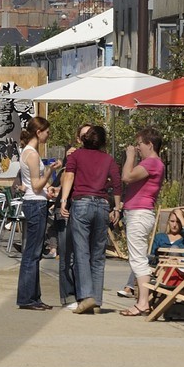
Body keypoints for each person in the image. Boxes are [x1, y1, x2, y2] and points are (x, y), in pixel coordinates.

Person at [58, 124, 121, 314]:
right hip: (102, 205)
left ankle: (86, 297)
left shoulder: (76, 156)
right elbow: (117, 184)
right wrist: (116, 207)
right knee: (98, 254)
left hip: (81, 203)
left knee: (81, 253)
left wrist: (63, 201)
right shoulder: (108, 159)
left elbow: (69, 177)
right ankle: (97, 300)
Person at [116, 126, 165, 317]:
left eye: (139, 145)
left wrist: (130, 156)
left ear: (149, 144)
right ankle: (142, 300)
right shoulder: (154, 163)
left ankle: (143, 302)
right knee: (138, 257)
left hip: (139, 214)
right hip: (139, 213)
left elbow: (127, 177)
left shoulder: (152, 162)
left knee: (138, 259)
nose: (137, 148)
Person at [15, 117, 55, 310]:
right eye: (47, 132)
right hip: (35, 204)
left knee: (34, 252)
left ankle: (32, 296)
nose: (48, 135)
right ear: (38, 133)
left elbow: (36, 185)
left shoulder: (29, 153)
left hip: (35, 201)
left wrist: (49, 188)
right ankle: (27, 298)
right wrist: (49, 172)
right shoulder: (31, 155)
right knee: (33, 253)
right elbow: (36, 184)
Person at [52, 123, 92, 308]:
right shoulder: (71, 156)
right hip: (66, 209)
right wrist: (68, 163)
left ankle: (83, 294)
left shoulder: (96, 157)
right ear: (77, 139)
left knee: (83, 255)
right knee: (67, 254)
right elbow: (61, 182)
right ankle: (68, 295)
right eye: (83, 135)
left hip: (85, 209)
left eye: (90, 135)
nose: (87, 138)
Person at [149, 208, 184, 289]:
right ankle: (129, 288)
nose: (174, 225)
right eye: (172, 221)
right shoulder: (160, 237)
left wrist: (181, 218)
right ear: (168, 222)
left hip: (178, 272)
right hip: (159, 269)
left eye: (178, 222)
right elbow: (153, 256)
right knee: (139, 257)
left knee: (174, 248)